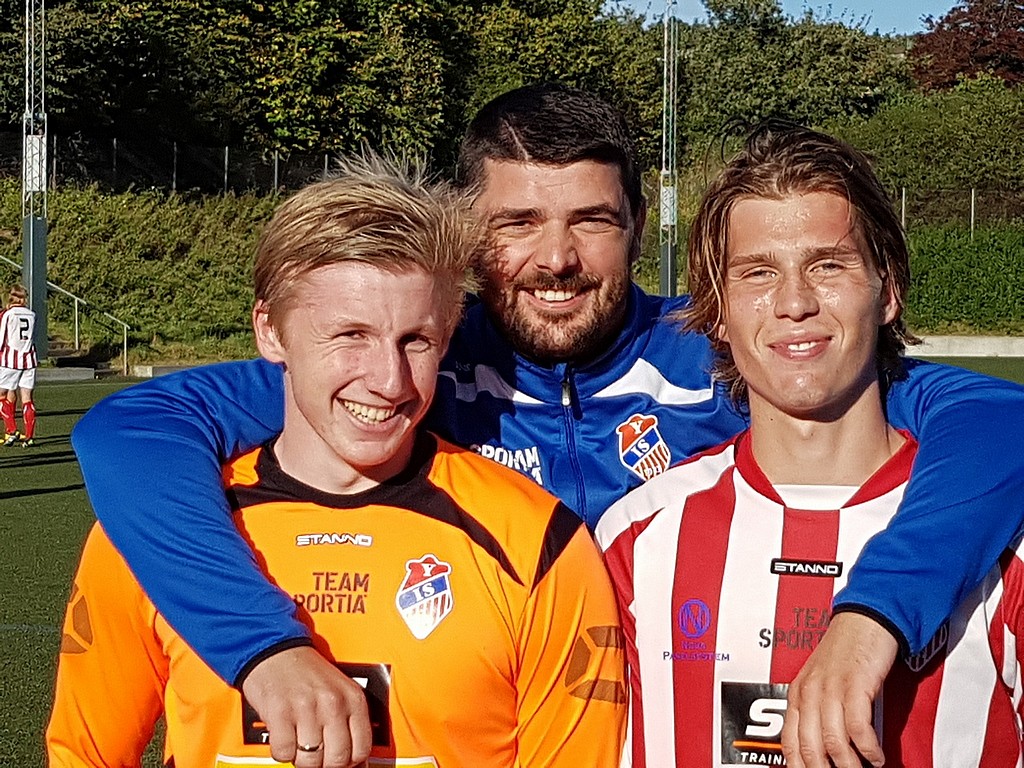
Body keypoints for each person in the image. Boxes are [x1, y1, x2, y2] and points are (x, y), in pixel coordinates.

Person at [70, 84, 1024, 766]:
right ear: (469, 235)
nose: (557, 258)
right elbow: (133, 435)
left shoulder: (727, 352)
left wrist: (872, 616)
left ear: (638, 225)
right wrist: (263, 645)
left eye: (592, 220)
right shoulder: (419, 365)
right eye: (518, 221)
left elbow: (991, 421)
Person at [47, 155, 626, 768]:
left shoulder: (538, 542)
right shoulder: (157, 529)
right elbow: (84, 757)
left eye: (416, 340)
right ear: (271, 332)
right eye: (350, 335)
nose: (388, 380)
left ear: (449, 337)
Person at [597, 122, 1024, 767]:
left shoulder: (1004, 537)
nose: (795, 302)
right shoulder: (635, 537)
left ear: (888, 290)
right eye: (757, 273)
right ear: (717, 309)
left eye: (828, 266)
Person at [0, 284, 38, 447]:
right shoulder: (32, 314)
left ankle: (12, 429)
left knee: (1, 396)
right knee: (27, 399)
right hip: (29, 360)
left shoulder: (8, 314)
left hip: (11, 360)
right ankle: (29, 437)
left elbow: (1, 338)